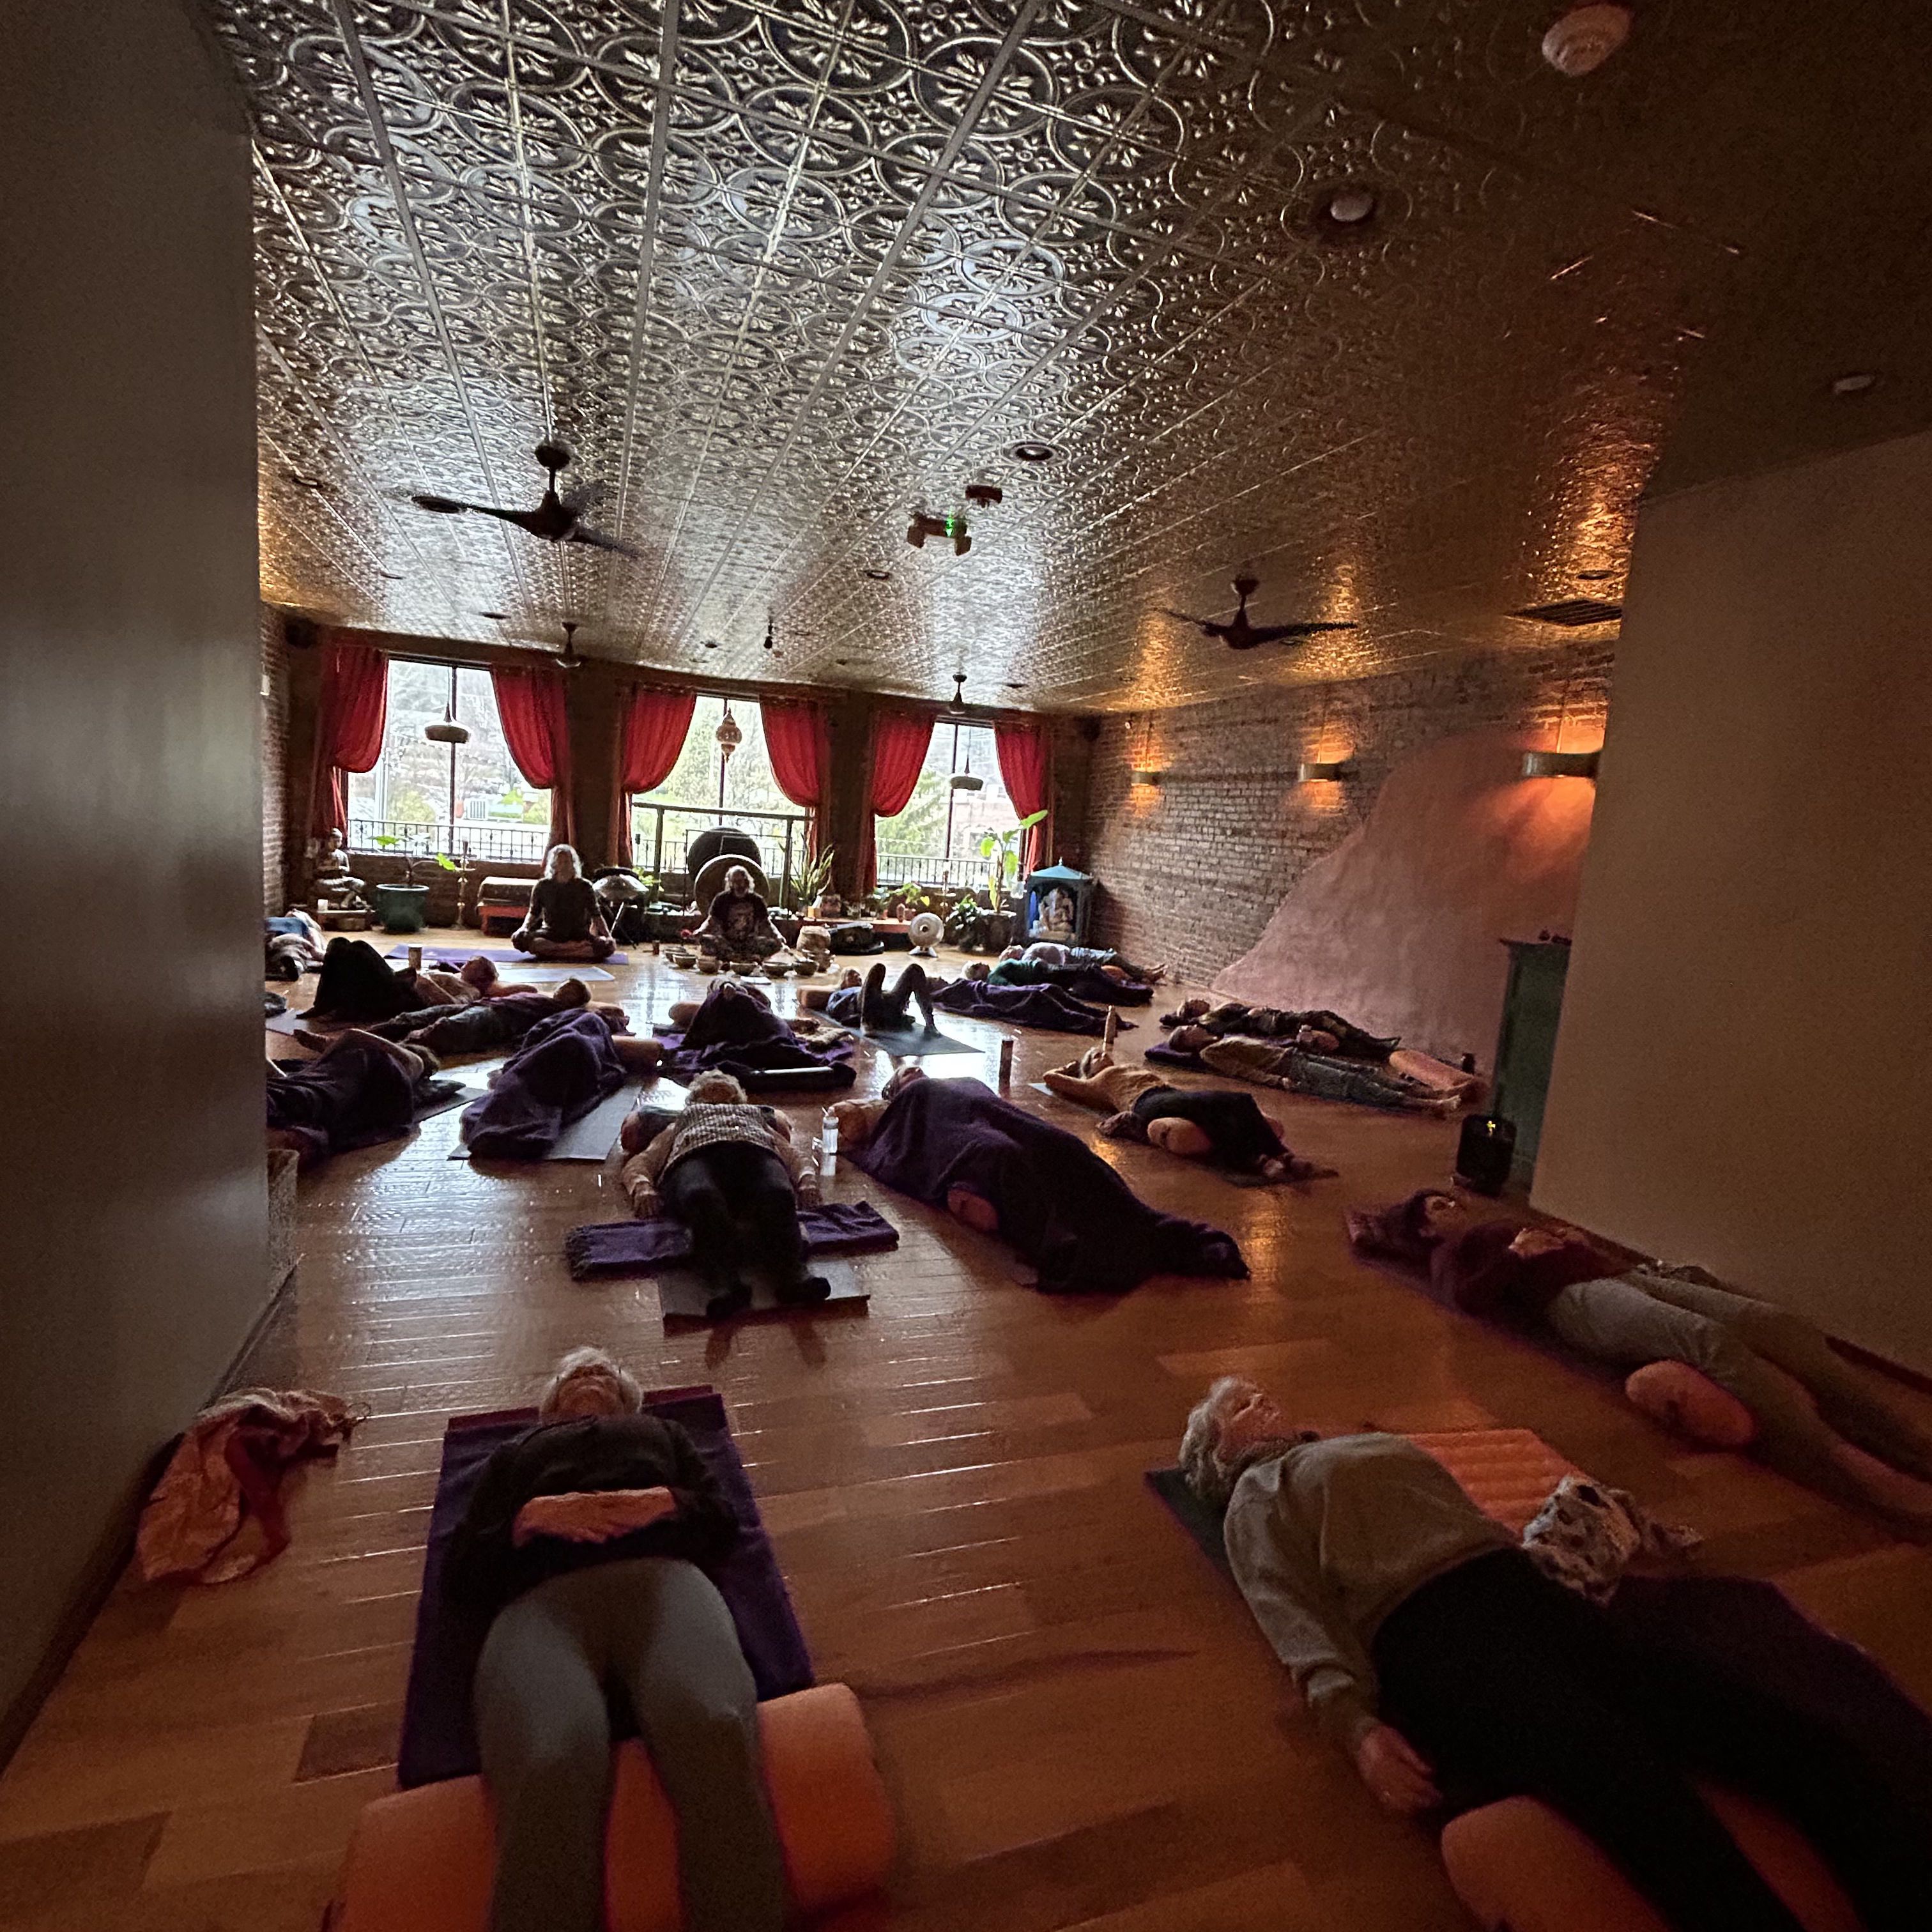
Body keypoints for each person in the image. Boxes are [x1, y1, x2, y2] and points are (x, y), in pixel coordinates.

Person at [1178, 1376, 1932, 1932]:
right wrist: (1355, 1727)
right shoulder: (1257, 1496)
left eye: (1257, 1393)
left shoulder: (1349, 1447)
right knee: (1636, 1795)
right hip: (1434, 1634)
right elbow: (1289, 1609)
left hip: (1525, 1594)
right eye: (1238, 1408)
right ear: (1219, 1460)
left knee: (1778, 1736)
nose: (1264, 1401)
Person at [444, 1347, 786, 1932]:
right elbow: (462, 1571)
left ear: (630, 1400)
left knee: (710, 1725)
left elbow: (723, 1522)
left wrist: (664, 1501)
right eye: (576, 1371)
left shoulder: (660, 1434)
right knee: (554, 1758)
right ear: (550, 1408)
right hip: (541, 1604)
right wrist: (528, 1521)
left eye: (603, 1370)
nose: (590, 1374)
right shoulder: (516, 1454)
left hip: (663, 1583)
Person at [1350, 1192, 1932, 1532]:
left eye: (1449, 1198)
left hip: (1620, 1275)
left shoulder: (1497, 1223)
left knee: (1777, 1326)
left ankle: (1909, 1443)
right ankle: (1849, 1464)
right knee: (1706, 1338)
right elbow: (1467, 1299)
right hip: (1575, 1303)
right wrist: (1515, 1253)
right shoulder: (1452, 1251)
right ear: (1425, 1226)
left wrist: (1571, 1242)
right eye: (1437, 1205)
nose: (1452, 1205)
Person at [831, 1066, 1247, 1294]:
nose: (914, 1072)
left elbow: (997, 1107)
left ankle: (1132, 1218)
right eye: (906, 1075)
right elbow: (897, 1145)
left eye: (915, 1071)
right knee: (995, 1153)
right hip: (958, 1133)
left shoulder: (962, 1081)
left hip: (998, 1116)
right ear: (895, 1089)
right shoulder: (907, 1103)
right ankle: (1050, 1240)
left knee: (1061, 1145)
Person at [618, 1071, 828, 1319]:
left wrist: (806, 1180)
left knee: (779, 1194)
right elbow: (643, 1161)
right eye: (708, 1085)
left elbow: (792, 1155)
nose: (716, 1083)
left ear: (738, 1097)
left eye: (725, 1085)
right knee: (701, 1196)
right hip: (695, 1157)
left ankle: (794, 1276)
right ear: (695, 1098)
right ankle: (724, 1284)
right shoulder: (683, 1120)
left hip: (756, 1154)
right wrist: (642, 1187)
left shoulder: (755, 1116)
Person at [1041, 1012, 1330, 1181]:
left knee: (1232, 1105)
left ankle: (1276, 1157)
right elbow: (1051, 1079)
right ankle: (1259, 1159)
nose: (1101, 1054)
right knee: (1227, 1104)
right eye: (1094, 1057)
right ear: (1089, 1070)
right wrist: (1073, 1068)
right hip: (1148, 1104)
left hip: (1169, 1095)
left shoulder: (1126, 1067)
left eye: (1100, 1052)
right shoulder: (1099, 1081)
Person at [265, 1029, 440, 1166]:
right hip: (334, 1081)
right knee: (303, 1096)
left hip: (330, 1080)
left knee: (297, 1094)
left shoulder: (416, 1061)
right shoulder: (394, 1065)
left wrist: (321, 1061)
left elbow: (351, 1035)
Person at [515, 845, 617, 962]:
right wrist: (523, 928)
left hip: (578, 934)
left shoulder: (585, 886)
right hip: (551, 934)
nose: (564, 865)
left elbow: (596, 915)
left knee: (608, 947)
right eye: (560, 862)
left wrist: (608, 936)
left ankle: (554, 953)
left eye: (567, 862)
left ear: (573, 863)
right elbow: (533, 913)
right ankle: (573, 950)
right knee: (519, 940)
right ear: (554, 864)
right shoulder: (542, 886)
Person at [692, 865, 781, 967]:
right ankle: (744, 958)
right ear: (729, 883)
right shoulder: (721, 899)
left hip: (750, 943)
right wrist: (700, 931)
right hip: (727, 942)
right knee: (706, 941)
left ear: (746, 881)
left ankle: (734, 958)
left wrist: (778, 936)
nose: (738, 885)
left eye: (740, 881)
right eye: (734, 882)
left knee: (775, 944)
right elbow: (711, 921)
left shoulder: (757, 900)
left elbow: (767, 923)